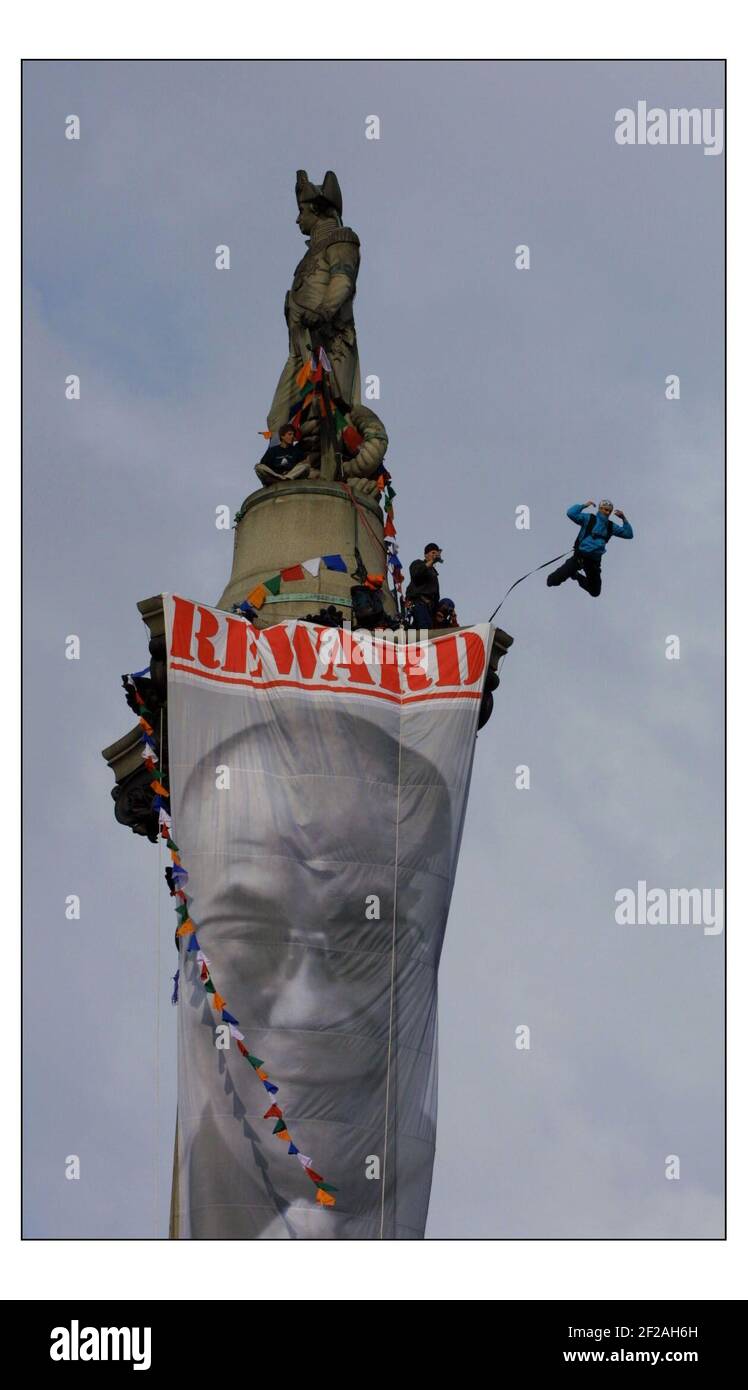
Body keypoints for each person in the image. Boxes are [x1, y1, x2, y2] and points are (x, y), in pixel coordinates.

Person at [546, 500, 633, 598]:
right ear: (600, 509)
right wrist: (584, 505)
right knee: (552, 581)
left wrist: (624, 519)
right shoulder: (589, 519)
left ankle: (576, 576)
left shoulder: (611, 526)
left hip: (593, 563)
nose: (607, 512)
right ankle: (561, 576)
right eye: (605, 509)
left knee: (595, 591)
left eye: (609, 510)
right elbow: (570, 513)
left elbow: (629, 534)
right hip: (580, 557)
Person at [405, 543, 443, 628]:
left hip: (429, 608)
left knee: (426, 630)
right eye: (433, 553)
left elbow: (436, 594)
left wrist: (437, 610)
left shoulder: (434, 573)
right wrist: (432, 561)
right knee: (424, 629)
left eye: (436, 553)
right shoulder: (417, 563)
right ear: (426, 555)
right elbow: (416, 573)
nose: (435, 555)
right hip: (418, 603)